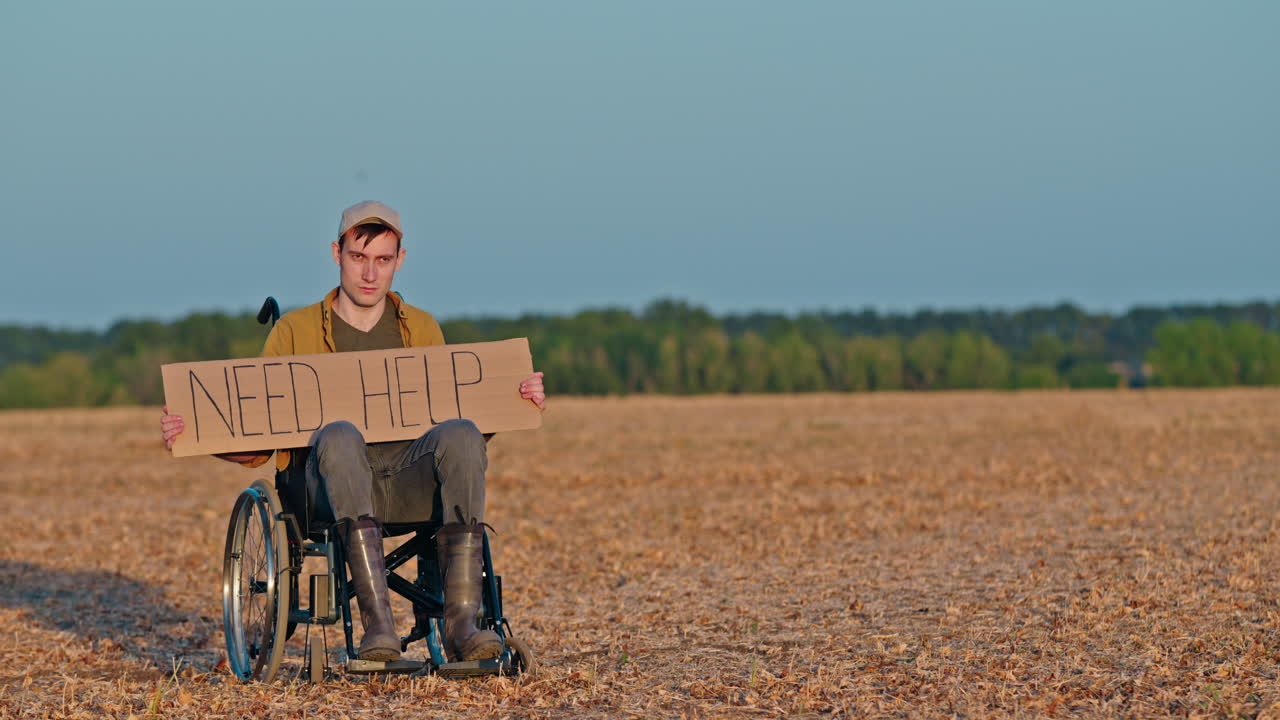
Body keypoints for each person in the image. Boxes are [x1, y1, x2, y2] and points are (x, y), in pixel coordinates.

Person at [160, 200, 546, 664]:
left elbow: (458, 437)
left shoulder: (421, 328)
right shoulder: (293, 332)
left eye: (383, 260)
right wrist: (199, 429)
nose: (370, 273)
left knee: (462, 430)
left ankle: (463, 624)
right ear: (336, 253)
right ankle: (377, 626)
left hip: (408, 481)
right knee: (340, 433)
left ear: (400, 260)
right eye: (358, 258)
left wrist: (512, 400)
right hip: (327, 488)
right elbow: (258, 438)